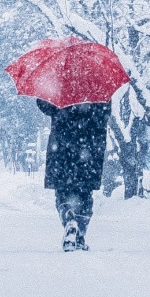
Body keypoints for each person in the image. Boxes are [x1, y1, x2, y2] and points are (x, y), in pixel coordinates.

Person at [36, 98, 110, 251]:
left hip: (62, 152)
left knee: (62, 193)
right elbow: (105, 113)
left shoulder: (59, 87)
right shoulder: (97, 89)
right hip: (88, 151)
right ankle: (80, 235)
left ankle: (69, 219)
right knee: (85, 195)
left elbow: (45, 107)